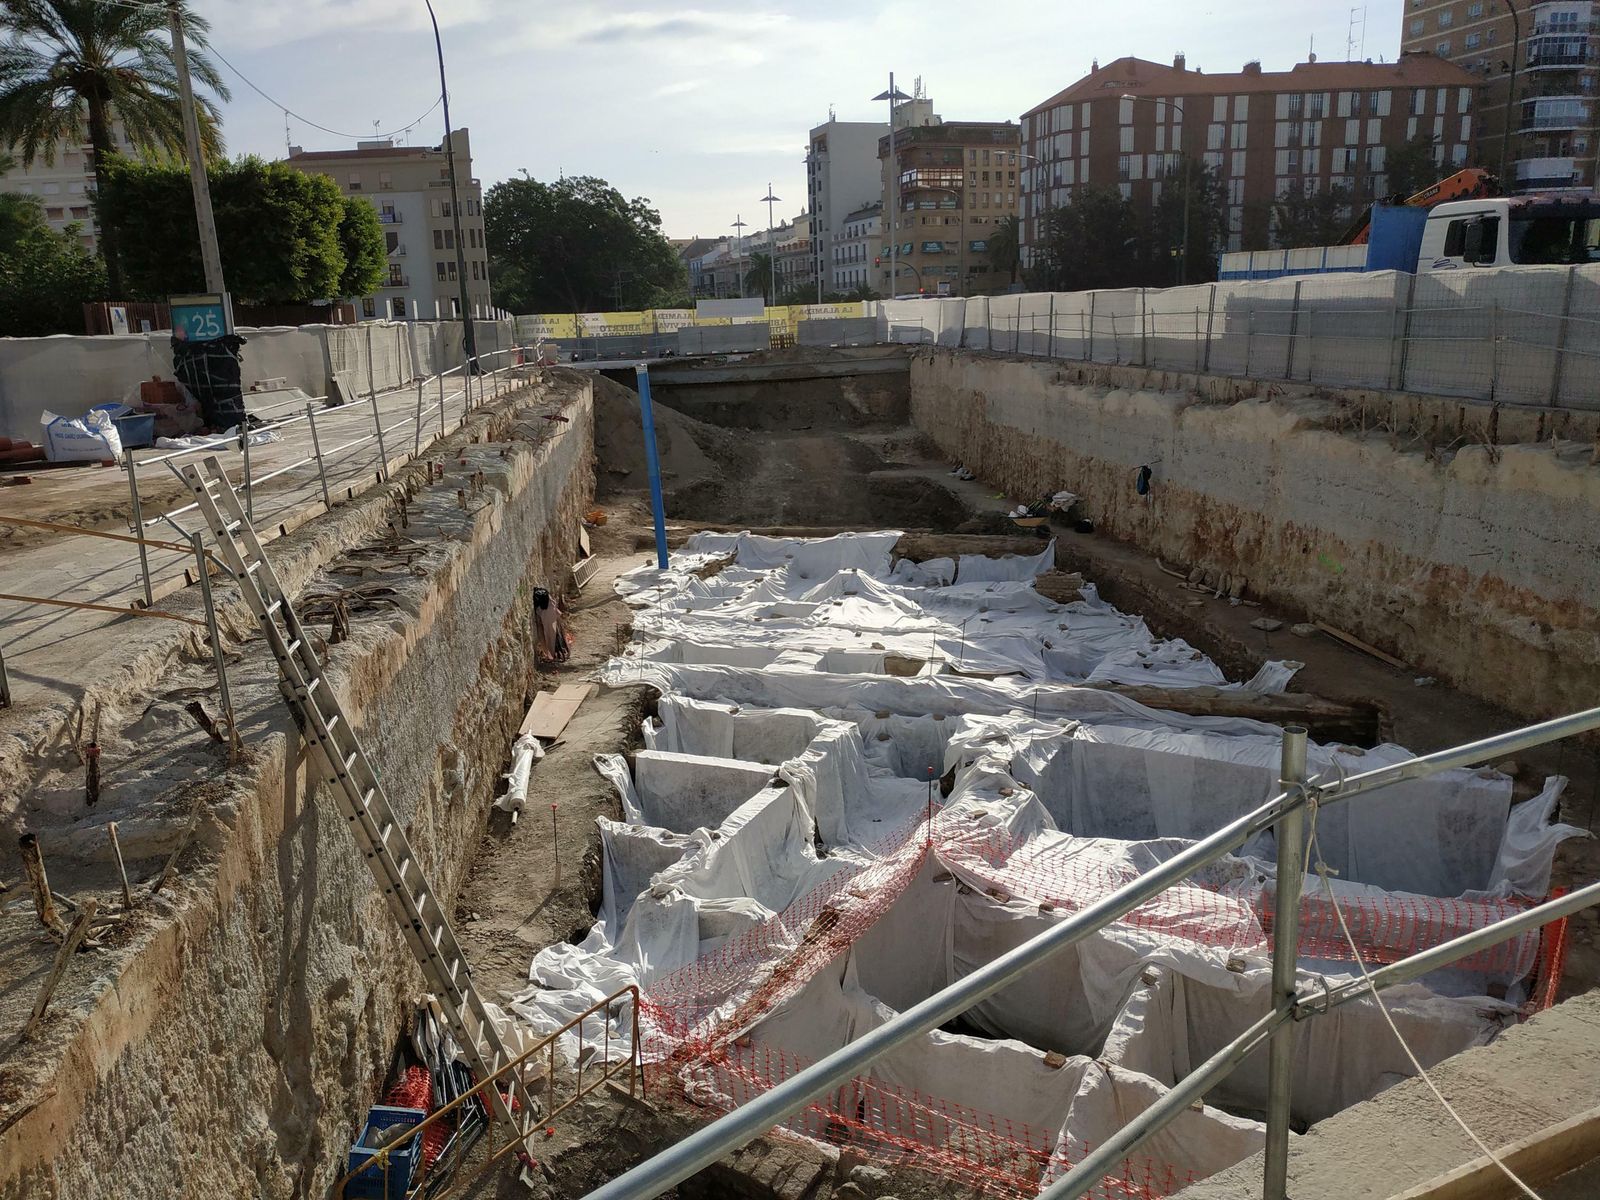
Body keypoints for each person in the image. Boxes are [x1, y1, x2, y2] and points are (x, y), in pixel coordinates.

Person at [533, 587, 570, 663]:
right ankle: (559, 653)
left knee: (550, 638)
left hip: (548, 619)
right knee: (557, 636)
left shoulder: (541, 608)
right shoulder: (549, 600)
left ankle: (551, 655)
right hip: (553, 617)